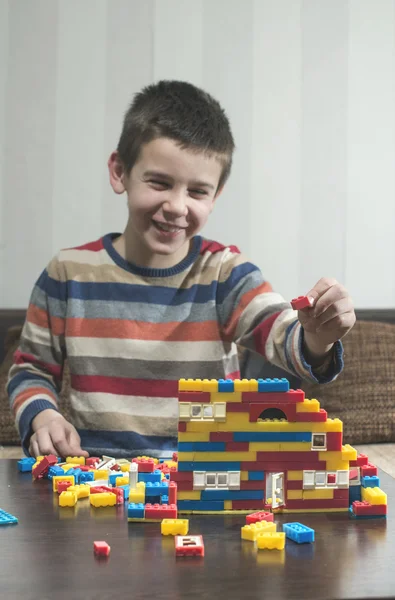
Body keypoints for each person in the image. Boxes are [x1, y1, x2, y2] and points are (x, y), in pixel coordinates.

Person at [7, 80, 356, 459]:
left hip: (206, 485)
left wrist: (317, 339)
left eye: (197, 192)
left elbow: (282, 334)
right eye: (159, 182)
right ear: (119, 171)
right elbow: (31, 371)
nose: (176, 206)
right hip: (97, 485)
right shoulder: (67, 274)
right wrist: (43, 417)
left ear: (216, 195)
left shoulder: (226, 275)